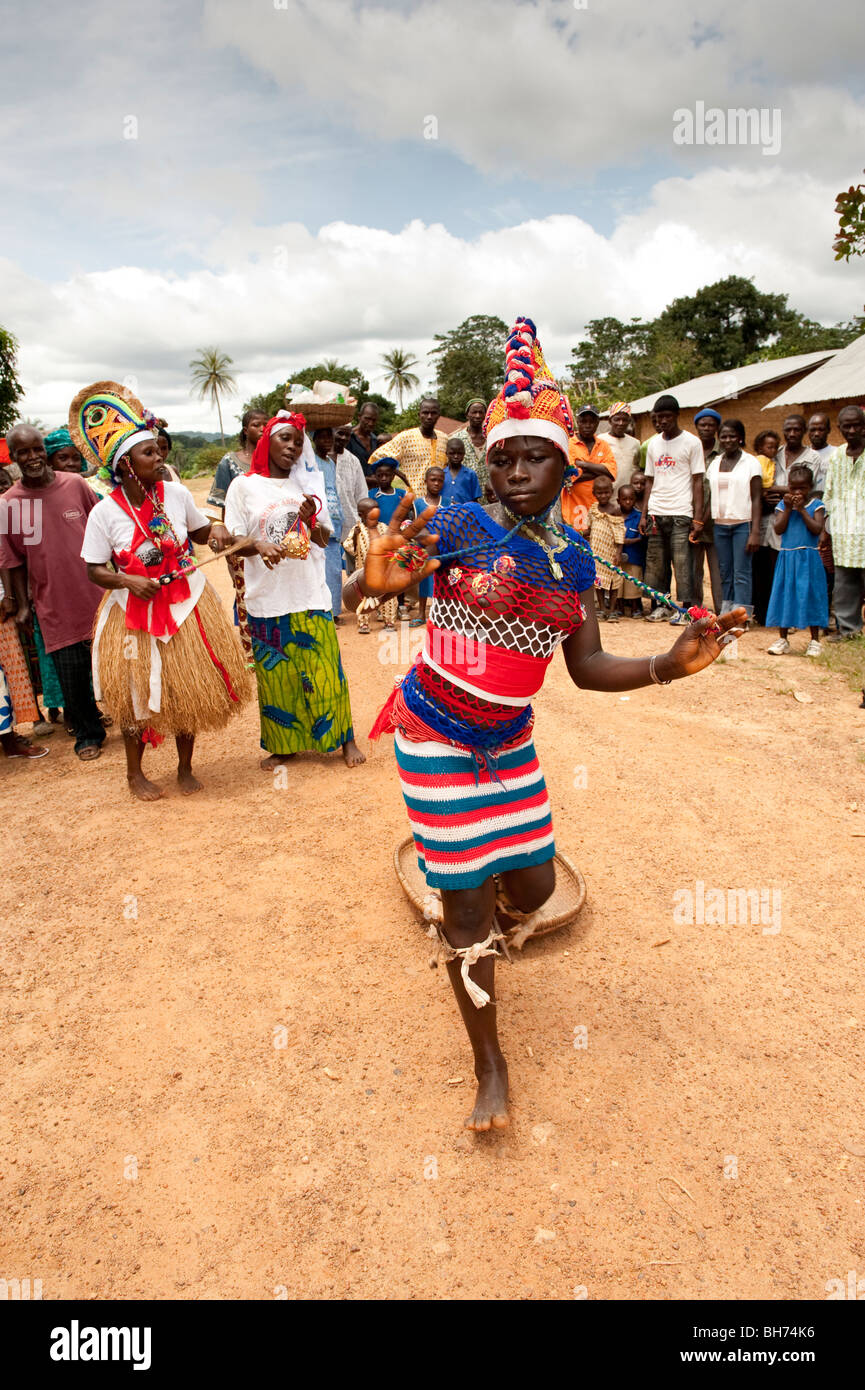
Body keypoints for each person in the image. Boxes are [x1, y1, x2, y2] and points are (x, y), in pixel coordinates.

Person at [344, 315, 744, 1133]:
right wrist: (363, 583)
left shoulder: (573, 561)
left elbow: (588, 668)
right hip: (433, 733)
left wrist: (667, 665)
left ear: (567, 465)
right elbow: (373, 589)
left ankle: (481, 906)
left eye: (536, 457)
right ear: (485, 464)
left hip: (510, 743)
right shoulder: (454, 529)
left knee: (529, 887)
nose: (518, 470)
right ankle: (488, 1066)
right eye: (504, 457)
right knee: (463, 908)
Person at [74, 381, 252, 798]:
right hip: (133, 612)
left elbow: (201, 529)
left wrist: (220, 531)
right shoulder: (104, 512)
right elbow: (94, 570)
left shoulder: (174, 493)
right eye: (149, 452)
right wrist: (127, 579)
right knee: (138, 693)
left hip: (186, 603)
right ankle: (134, 774)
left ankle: (184, 768)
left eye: (158, 449)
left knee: (186, 687)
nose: (159, 456)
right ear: (125, 465)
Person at [223, 410, 364, 769]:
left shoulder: (307, 484)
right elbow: (235, 539)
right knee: (277, 676)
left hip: (310, 592)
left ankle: (344, 739)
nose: (292, 447)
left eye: (298, 442)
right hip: (266, 597)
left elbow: (324, 539)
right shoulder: (244, 486)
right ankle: (285, 745)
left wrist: (309, 519)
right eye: (285, 439)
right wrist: (257, 545)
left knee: (325, 671)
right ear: (265, 441)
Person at [0, 424, 106, 761]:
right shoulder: (10, 504)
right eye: (23, 453)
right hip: (52, 602)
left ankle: (133, 724)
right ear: (14, 458)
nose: (31, 457)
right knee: (71, 673)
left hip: (98, 593)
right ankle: (87, 734)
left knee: (114, 663)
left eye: (36, 449)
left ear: (43, 450)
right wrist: (19, 604)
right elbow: (13, 560)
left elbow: (102, 528)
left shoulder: (75, 485)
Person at [639, 395, 704, 624]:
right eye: (659, 417)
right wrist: (645, 514)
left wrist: (698, 518)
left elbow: (698, 481)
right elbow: (649, 480)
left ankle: (685, 609)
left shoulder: (692, 443)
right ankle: (663, 606)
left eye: (667, 416)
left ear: (677, 416)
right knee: (656, 563)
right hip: (657, 511)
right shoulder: (653, 444)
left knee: (682, 563)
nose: (663, 421)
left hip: (681, 512)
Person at [766, 466, 828, 656]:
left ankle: (814, 641)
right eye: (793, 488)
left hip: (808, 559)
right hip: (787, 558)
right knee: (785, 594)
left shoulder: (816, 505)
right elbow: (778, 529)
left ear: (810, 487)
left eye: (802, 489)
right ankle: (783, 638)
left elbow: (817, 528)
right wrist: (788, 509)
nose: (797, 493)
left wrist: (801, 510)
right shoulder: (783, 506)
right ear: (788, 487)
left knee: (812, 595)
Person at [705, 419, 762, 619]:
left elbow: (756, 498)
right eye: (723, 436)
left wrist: (755, 531)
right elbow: (710, 495)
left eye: (732, 436)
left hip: (742, 524)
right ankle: (726, 611)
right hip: (720, 525)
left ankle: (741, 615)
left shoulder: (751, 463)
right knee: (725, 571)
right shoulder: (715, 463)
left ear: (740, 438)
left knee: (742, 572)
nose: (727, 440)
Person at [820, 405, 865, 640]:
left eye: (857, 424)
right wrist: (826, 531)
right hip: (844, 532)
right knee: (845, 585)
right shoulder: (837, 456)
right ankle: (849, 631)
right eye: (847, 426)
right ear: (839, 428)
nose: (852, 429)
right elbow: (829, 494)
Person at [367, 397, 447, 493]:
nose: (429, 416)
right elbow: (377, 456)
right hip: (414, 497)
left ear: (439, 415)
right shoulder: (406, 437)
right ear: (419, 415)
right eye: (425, 413)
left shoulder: (444, 439)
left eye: (433, 413)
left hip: (440, 499)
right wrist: (400, 474)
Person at [343, 497, 398, 634]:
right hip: (364, 572)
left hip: (384, 571)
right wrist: (355, 537)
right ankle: (363, 623)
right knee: (363, 597)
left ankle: (389, 620)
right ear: (361, 515)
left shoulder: (383, 527)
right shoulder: (357, 529)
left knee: (387, 598)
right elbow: (349, 547)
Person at [561, 404, 616, 533]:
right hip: (575, 509)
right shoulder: (568, 444)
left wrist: (584, 465)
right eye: (584, 421)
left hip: (600, 509)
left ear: (597, 423)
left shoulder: (603, 445)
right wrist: (599, 471)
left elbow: (611, 473)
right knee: (577, 546)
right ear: (577, 422)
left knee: (598, 547)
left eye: (592, 421)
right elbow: (567, 477)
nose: (588, 425)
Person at [309, 427, 346, 618]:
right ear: (314, 439)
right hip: (319, 519)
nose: (326, 441)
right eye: (322, 437)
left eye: (329, 437)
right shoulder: (310, 462)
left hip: (335, 519)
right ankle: (323, 609)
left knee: (333, 569)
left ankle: (334, 610)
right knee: (319, 567)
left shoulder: (330, 462)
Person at [691, 409, 724, 614]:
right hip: (693, 517)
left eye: (711, 425)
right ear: (697, 427)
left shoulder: (723, 453)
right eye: (702, 425)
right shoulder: (692, 450)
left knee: (717, 569)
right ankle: (696, 609)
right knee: (694, 568)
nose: (706, 428)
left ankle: (721, 608)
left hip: (716, 519)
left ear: (716, 428)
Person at [207, 408, 268, 513]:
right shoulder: (229, 461)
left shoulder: (274, 460)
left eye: (266, 425)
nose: (262, 429)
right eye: (256, 425)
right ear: (246, 431)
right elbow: (225, 505)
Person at [584, 475, 624, 620]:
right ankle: (602, 609)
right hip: (596, 552)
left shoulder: (615, 510)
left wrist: (618, 553)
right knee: (598, 582)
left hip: (611, 552)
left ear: (612, 492)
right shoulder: (593, 509)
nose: (603, 496)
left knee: (613, 581)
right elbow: (590, 527)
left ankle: (612, 610)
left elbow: (620, 532)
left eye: (606, 492)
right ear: (594, 493)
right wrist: (584, 533)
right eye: (600, 493)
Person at [331, 422, 371, 562]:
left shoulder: (353, 461)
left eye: (347, 435)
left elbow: (362, 494)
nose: (343, 438)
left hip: (350, 528)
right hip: (326, 532)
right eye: (339, 433)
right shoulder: (319, 459)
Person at [617, 482, 645, 618]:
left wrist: (624, 541)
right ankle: (619, 608)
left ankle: (635, 608)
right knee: (618, 583)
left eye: (631, 499)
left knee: (633, 583)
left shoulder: (639, 517)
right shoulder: (614, 515)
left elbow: (641, 537)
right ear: (618, 500)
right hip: (617, 557)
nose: (628, 502)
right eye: (624, 499)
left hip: (634, 556)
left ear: (635, 500)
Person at [451, 398, 489, 494]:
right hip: (465, 493)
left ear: (485, 415)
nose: (477, 416)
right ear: (467, 415)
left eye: (481, 412)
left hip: (489, 493)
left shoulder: (492, 437)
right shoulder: (457, 439)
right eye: (474, 412)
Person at [598, 402, 641, 490]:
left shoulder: (635, 443)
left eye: (624, 420)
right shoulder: (600, 440)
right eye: (617, 419)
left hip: (628, 496)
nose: (621, 423)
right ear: (610, 421)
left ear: (629, 421)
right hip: (606, 495)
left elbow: (637, 468)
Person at [440, 436, 482, 507]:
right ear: (446, 453)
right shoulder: (441, 475)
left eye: (459, 453)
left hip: (465, 514)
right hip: (444, 514)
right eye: (452, 453)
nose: (456, 456)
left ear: (464, 454)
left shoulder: (471, 474)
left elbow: (475, 500)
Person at [367, 457, 404, 524]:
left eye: (387, 475)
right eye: (380, 476)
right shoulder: (371, 494)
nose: (383, 478)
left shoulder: (402, 494)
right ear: (375, 476)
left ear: (393, 476)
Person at [349, 402, 381, 476]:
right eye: (367, 419)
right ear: (359, 416)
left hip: (372, 486)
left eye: (374, 420)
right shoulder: (347, 437)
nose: (370, 423)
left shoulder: (375, 440)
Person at [807, 413, 833, 491]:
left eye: (821, 429)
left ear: (828, 430)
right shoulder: (802, 455)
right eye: (813, 430)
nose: (816, 434)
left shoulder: (836, 454)